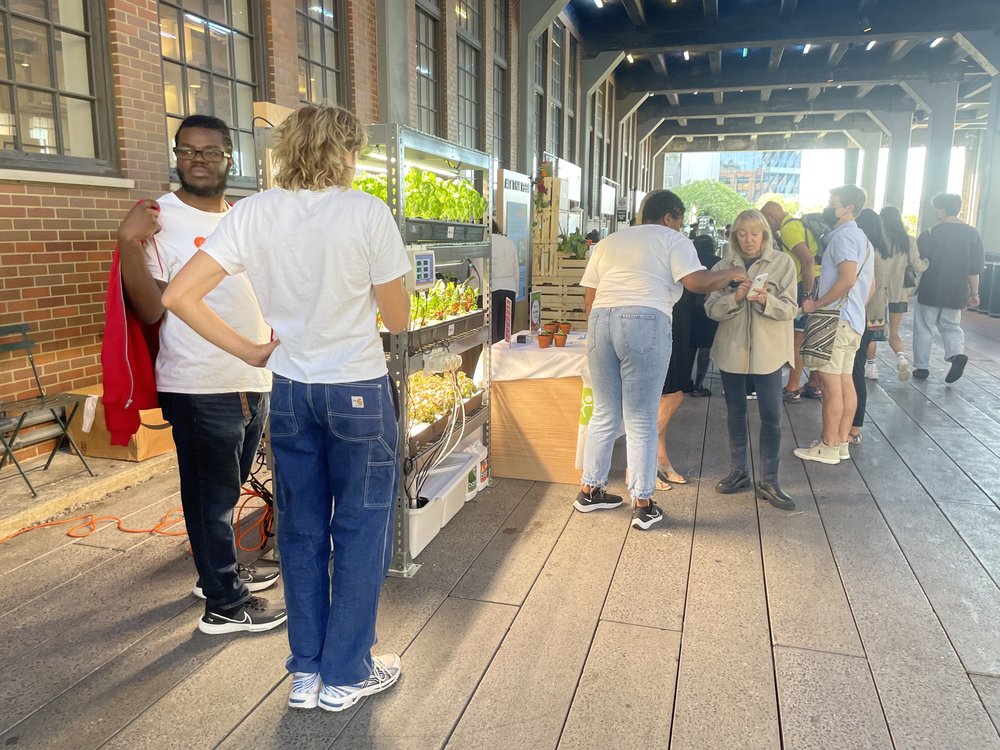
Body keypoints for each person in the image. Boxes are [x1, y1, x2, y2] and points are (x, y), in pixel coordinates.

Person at [162, 105, 411, 712]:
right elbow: (400, 318)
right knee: (359, 529)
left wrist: (252, 350)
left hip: (291, 390)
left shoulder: (251, 212)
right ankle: (347, 672)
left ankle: (306, 673)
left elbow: (178, 295)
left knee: (300, 531)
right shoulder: (366, 212)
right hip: (356, 388)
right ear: (345, 151)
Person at [114, 115, 283, 635]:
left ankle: (216, 575)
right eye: (188, 151)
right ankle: (224, 606)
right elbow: (148, 310)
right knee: (210, 498)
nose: (199, 160)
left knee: (227, 491)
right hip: (197, 380)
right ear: (176, 155)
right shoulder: (158, 218)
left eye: (210, 152)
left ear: (230, 157)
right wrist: (126, 243)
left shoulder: (241, 217)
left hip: (251, 377)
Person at [574, 190, 745, 530]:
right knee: (640, 417)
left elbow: (590, 295)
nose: (679, 226)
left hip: (600, 322)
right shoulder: (672, 239)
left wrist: (603, 329)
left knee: (605, 411)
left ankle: (589, 491)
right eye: (679, 221)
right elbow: (695, 282)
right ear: (670, 217)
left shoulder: (609, 241)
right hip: (645, 319)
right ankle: (643, 502)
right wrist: (732, 272)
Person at [705, 210, 798, 509]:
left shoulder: (782, 264)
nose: (748, 240)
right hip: (731, 350)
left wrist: (763, 299)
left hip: (769, 353)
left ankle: (769, 480)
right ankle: (739, 472)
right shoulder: (723, 267)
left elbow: (791, 309)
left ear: (765, 235)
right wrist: (734, 298)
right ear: (734, 236)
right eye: (742, 233)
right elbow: (710, 309)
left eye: (754, 233)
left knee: (772, 415)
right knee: (735, 413)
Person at [793, 185, 874, 466]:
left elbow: (847, 278)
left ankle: (828, 444)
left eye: (833, 202)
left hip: (834, 320)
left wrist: (818, 303)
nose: (829, 207)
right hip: (853, 320)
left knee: (830, 382)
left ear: (848, 207)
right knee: (844, 380)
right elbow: (868, 286)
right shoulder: (863, 239)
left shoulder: (842, 238)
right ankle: (840, 443)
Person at [912, 193, 984, 383]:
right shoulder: (972, 233)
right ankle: (956, 355)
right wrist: (975, 293)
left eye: (936, 207)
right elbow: (974, 269)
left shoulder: (930, 233)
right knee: (951, 326)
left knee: (924, 327)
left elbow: (917, 261)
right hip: (957, 291)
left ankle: (921, 368)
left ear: (943, 209)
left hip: (931, 288)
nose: (934, 211)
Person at [760, 201, 822, 403]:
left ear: (771, 216)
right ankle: (814, 384)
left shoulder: (788, 229)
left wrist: (807, 293)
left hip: (807, 283)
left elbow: (807, 261)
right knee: (812, 336)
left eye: (765, 222)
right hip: (820, 283)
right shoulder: (797, 224)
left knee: (798, 337)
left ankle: (792, 387)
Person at [848, 208, 890, 445]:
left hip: (860, 315)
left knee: (854, 372)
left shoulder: (866, 253)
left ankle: (855, 427)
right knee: (856, 369)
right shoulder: (880, 251)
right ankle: (854, 426)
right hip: (869, 315)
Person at [878, 206, 928, 381]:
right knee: (894, 332)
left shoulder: (877, 240)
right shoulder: (909, 241)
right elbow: (918, 266)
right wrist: (927, 262)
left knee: (870, 332)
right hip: (898, 294)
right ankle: (900, 357)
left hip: (877, 295)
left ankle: (870, 367)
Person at [689, 235, 721, 397]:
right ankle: (698, 384)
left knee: (687, 346)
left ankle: (683, 381)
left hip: (686, 309)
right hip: (707, 308)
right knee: (705, 347)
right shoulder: (719, 262)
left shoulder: (688, 259)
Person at [489, 220, 520, 341]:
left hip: (492, 289)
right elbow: (516, 268)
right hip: (509, 289)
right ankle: (504, 356)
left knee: (492, 333)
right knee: (506, 333)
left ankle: (493, 359)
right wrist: (516, 291)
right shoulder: (509, 241)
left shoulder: (486, 241)